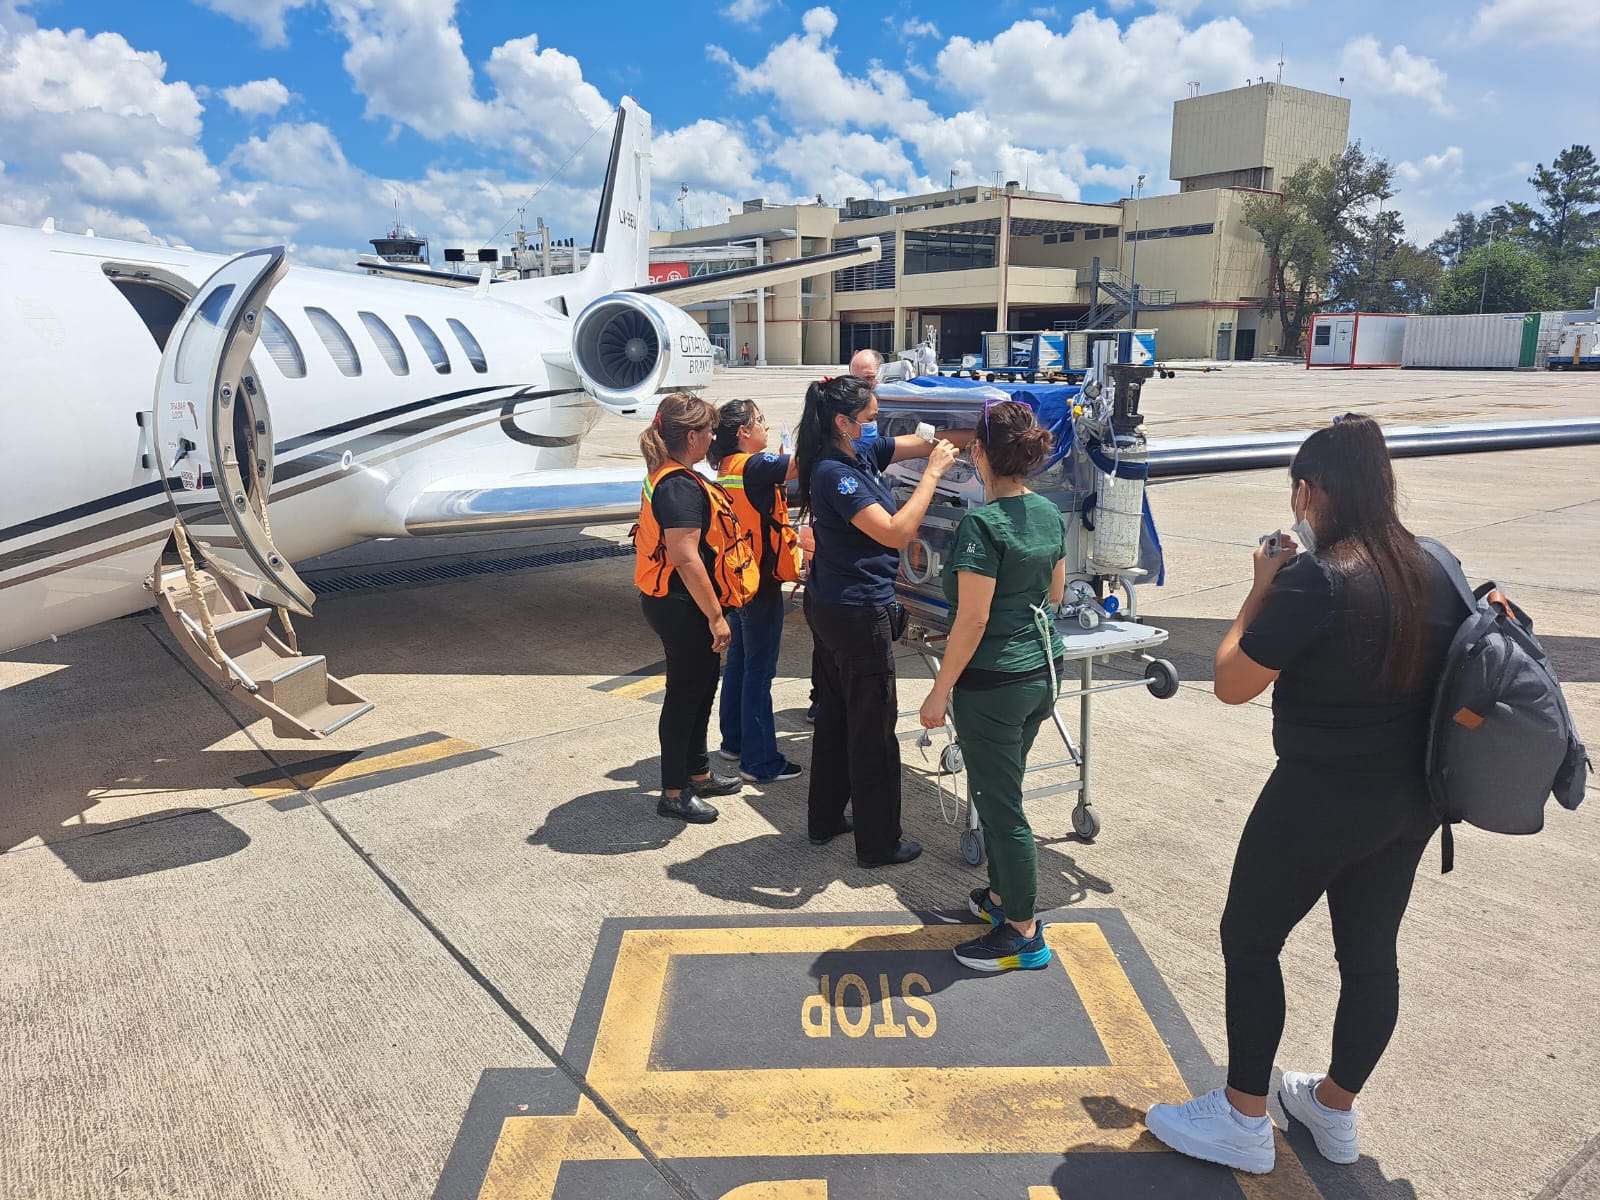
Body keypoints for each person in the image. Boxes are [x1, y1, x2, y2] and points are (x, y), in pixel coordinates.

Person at [1144, 413, 1460, 1175]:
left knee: (1250, 939)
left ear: (1310, 492)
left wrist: (1259, 591)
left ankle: (1243, 1116)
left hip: (1320, 795)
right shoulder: (1436, 562)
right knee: (1370, 955)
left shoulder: (1319, 577)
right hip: (1412, 798)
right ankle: (1333, 1107)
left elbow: (1231, 681)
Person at [918, 400, 1064, 972]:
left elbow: (973, 619)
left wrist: (939, 690)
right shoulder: (1047, 512)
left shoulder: (982, 525)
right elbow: (1055, 594)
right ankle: (1003, 898)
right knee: (1001, 791)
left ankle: (1023, 932)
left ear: (979, 454)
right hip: (1040, 671)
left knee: (1001, 808)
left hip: (995, 682)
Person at [796, 374, 963, 867]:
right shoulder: (836, 474)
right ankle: (878, 842)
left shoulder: (858, 453)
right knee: (872, 728)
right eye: (869, 419)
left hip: (833, 604)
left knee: (835, 716)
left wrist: (974, 434)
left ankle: (825, 818)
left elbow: (924, 441)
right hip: (856, 612)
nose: (876, 426)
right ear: (843, 423)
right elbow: (894, 532)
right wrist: (932, 475)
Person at [635, 392, 759, 824]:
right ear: (691, 436)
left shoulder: (674, 476)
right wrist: (715, 616)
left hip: (682, 602)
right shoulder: (678, 487)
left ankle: (698, 773)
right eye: (708, 431)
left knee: (702, 689)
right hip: (680, 605)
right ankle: (674, 792)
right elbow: (687, 559)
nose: (713, 438)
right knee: (684, 697)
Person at [709, 399, 803, 783]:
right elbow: (798, 466)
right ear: (744, 432)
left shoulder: (727, 467)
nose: (766, 426)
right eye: (760, 421)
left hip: (737, 579)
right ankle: (760, 761)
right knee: (759, 671)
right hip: (760, 582)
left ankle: (734, 741)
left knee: (740, 663)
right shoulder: (754, 464)